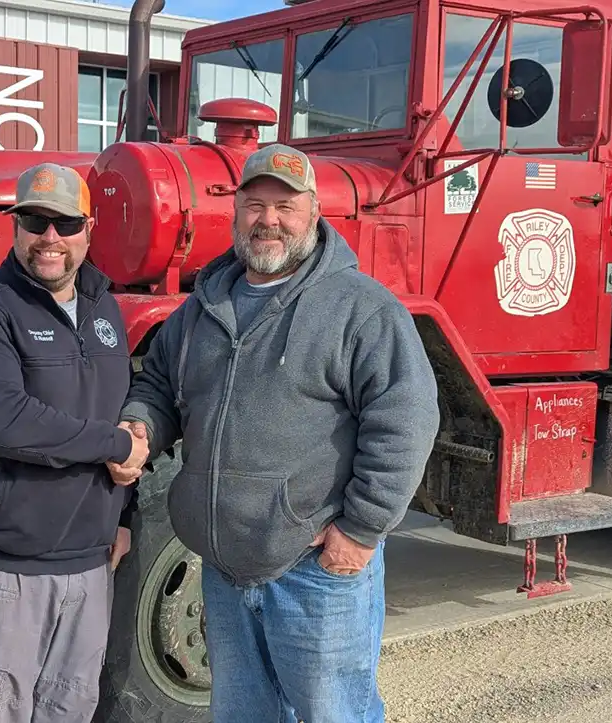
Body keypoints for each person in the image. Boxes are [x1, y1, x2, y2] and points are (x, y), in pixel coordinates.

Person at [108, 144, 441, 722]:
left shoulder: (360, 308)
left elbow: (406, 419)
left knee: (334, 714)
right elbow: (160, 382)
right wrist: (140, 425)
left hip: (315, 573)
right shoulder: (202, 308)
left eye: (285, 206)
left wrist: (360, 531)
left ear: (314, 212)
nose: (269, 220)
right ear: (236, 213)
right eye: (255, 204)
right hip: (225, 569)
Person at [0, 162, 149, 723]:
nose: (50, 238)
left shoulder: (104, 308)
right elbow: (8, 423)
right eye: (35, 220)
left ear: (89, 227)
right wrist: (115, 447)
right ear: (16, 226)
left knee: (70, 712)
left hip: (88, 567)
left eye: (66, 223)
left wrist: (123, 514)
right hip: (4, 571)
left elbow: (117, 407)